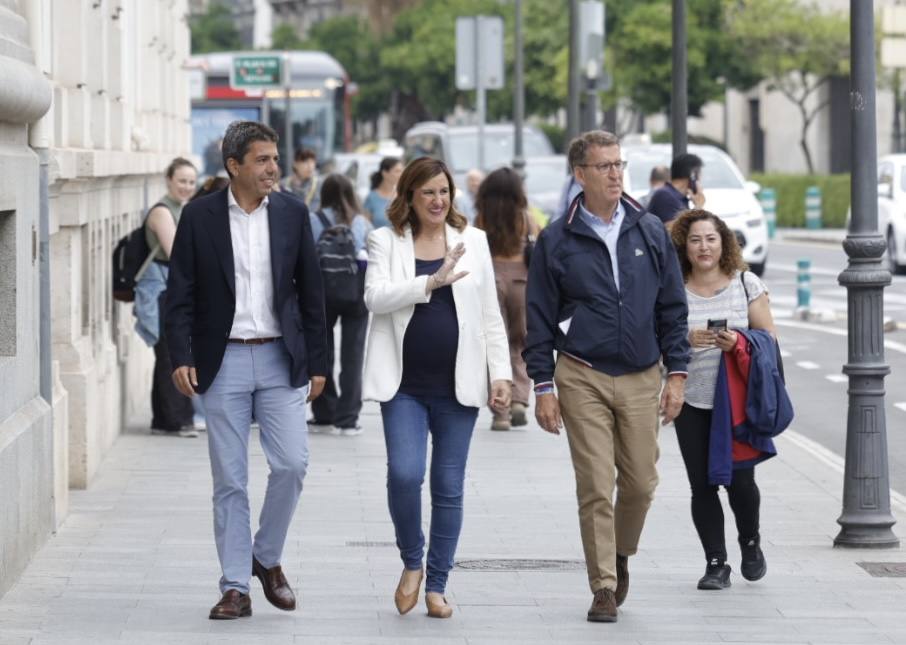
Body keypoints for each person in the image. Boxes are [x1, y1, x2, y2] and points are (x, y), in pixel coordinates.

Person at [524, 130, 690, 623]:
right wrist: (543, 386)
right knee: (596, 483)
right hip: (581, 373)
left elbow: (673, 308)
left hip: (641, 375)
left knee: (639, 484)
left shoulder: (650, 230)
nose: (616, 174)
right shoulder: (557, 238)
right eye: (604, 166)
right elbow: (538, 317)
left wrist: (676, 374)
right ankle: (602, 584)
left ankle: (619, 553)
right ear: (580, 175)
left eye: (620, 164)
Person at [165, 121, 328, 620]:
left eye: (275, 159)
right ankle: (236, 585)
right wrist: (181, 355)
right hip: (223, 360)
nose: (273, 168)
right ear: (233, 165)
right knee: (230, 480)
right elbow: (179, 295)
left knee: (292, 465)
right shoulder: (199, 217)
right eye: (262, 160)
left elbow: (311, 292)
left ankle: (266, 556)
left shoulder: (293, 214)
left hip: (281, 358)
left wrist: (320, 362)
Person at [362, 157, 512, 619]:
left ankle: (438, 583)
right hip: (404, 386)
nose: (438, 200)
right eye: (427, 192)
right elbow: (375, 297)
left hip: (458, 388)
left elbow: (489, 314)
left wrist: (501, 373)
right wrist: (430, 281)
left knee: (448, 487)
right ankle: (412, 561)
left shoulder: (474, 242)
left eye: (444, 191)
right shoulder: (384, 240)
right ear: (408, 195)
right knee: (405, 474)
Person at [669, 209, 776, 591]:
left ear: (724, 242)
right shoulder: (673, 288)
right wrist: (687, 339)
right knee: (702, 485)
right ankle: (716, 563)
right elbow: (657, 341)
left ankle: (750, 542)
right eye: (695, 240)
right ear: (685, 246)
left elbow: (770, 340)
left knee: (741, 482)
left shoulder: (746, 284)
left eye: (711, 239)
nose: (704, 247)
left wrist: (739, 341)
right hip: (692, 402)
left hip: (736, 404)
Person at [133, 157, 198, 438]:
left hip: (171, 289)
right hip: (158, 289)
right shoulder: (162, 211)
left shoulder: (183, 208)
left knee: (171, 354)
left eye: (192, 182)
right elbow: (177, 254)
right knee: (170, 355)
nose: (187, 186)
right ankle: (173, 420)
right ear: (169, 180)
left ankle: (165, 419)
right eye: (182, 180)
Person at [307, 174, 374, 436]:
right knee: (353, 355)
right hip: (355, 294)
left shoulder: (313, 220)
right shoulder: (361, 222)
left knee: (323, 352)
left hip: (322, 293)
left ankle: (324, 414)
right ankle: (348, 419)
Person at [473, 167, 538, 431]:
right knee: (522, 344)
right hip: (522, 281)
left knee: (494, 345)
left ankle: (500, 413)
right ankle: (519, 401)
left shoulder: (482, 218)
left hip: (491, 280)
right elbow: (541, 244)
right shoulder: (526, 218)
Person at [647, 153, 705, 226]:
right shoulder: (665, 195)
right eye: (699, 177)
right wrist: (698, 207)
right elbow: (674, 230)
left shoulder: (678, 198)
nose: (700, 182)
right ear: (693, 176)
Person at [363, 156, 403, 228]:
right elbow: (366, 227)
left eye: (401, 171)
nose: (401, 174)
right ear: (385, 173)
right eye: (397, 171)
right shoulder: (371, 198)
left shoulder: (403, 197)